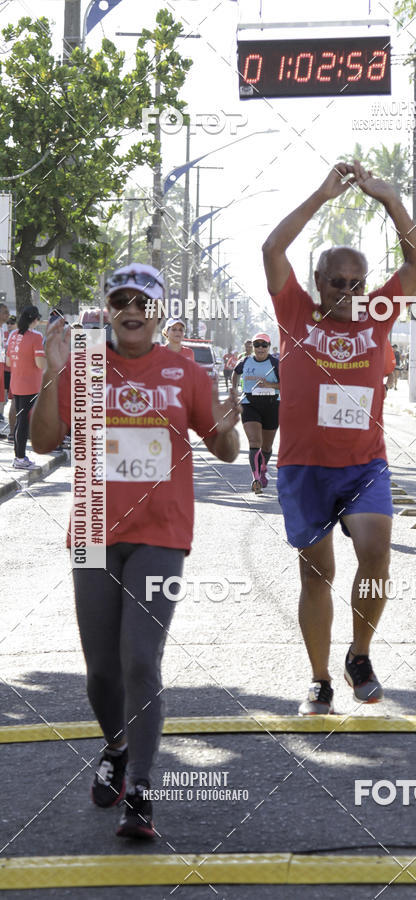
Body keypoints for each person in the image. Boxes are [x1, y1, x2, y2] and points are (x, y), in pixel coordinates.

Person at [30, 263, 239, 839]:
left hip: (162, 533)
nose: (131, 309)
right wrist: (52, 373)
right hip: (93, 530)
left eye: (142, 301)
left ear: (158, 311)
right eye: (120, 300)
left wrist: (227, 422)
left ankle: (142, 790)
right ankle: (117, 748)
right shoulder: (84, 368)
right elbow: (43, 440)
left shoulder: (185, 371)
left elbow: (224, 448)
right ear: (109, 309)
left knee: (141, 660)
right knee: (100, 674)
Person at [262, 159, 416, 715]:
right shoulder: (294, 312)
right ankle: (319, 680)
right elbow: (271, 249)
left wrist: (388, 198)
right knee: (318, 574)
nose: (351, 291)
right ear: (318, 282)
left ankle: (359, 655)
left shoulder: (377, 316)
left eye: (359, 282)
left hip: (364, 465)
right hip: (304, 467)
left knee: (377, 554)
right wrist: (320, 196)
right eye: (339, 281)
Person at [231, 332, 280, 493]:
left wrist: (270, 385)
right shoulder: (245, 361)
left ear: (268, 346)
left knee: (266, 446)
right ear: (252, 347)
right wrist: (234, 390)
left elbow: (287, 384)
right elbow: (235, 373)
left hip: (272, 405)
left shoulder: (275, 363)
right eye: (257, 345)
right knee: (254, 441)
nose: (260, 348)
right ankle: (256, 478)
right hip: (249, 403)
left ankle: (263, 468)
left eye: (264, 345)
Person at [5, 305, 45, 469]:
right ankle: (20, 458)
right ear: (34, 320)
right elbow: (40, 363)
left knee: (20, 420)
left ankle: (19, 457)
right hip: (31, 384)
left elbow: (8, 362)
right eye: (37, 319)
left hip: (16, 383)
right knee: (23, 421)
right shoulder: (36, 337)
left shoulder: (13, 335)